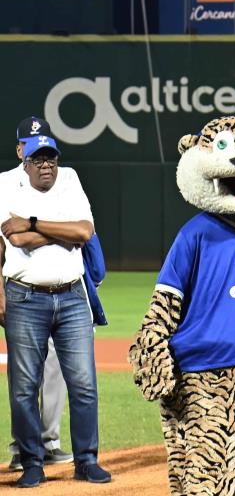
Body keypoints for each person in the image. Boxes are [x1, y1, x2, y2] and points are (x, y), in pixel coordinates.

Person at [0, 134, 110, 488]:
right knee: (23, 387)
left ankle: (86, 461)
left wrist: (32, 223)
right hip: (25, 297)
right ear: (25, 162)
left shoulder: (70, 179)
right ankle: (32, 463)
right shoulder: (5, 184)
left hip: (73, 296)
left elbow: (84, 231)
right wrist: (61, 230)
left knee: (83, 384)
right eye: (38, 159)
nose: (46, 165)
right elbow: (13, 239)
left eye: (51, 158)